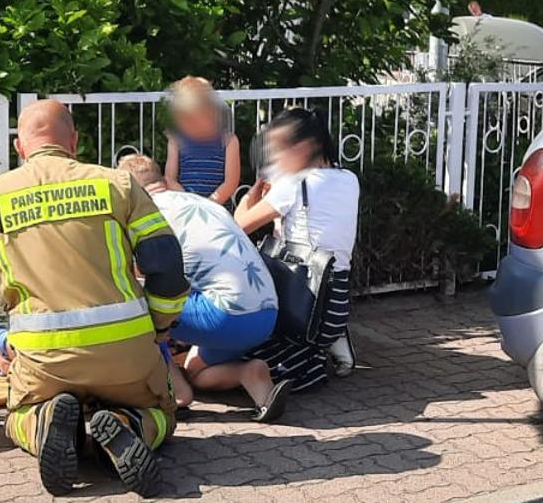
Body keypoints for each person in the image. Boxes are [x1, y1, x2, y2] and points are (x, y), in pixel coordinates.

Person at [0, 100, 186, 496]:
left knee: (18, 415)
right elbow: (165, 263)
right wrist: (161, 328)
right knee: (161, 412)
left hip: (43, 362)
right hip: (126, 355)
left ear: (19, 147)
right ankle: (129, 425)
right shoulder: (118, 184)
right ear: (74, 141)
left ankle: (44, 422)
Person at [116, 155, 288, 422]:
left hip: (224, 317)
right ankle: (249, 374)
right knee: (196, 371)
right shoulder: (202, 203)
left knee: (136, 300)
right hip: (266, 316)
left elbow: (142, 274)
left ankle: (175, 393)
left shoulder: (149, 214)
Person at [236, 108, 360, 387]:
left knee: (242, 355)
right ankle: (327, 343)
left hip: (302, 306)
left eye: (278, 151)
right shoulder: (349, 179)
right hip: (335, 303)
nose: (274, 160)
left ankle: (312, 356)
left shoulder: (292, 184)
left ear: (303, 148)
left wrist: (253, 192)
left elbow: (238, 225)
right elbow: (319, 228)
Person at [163, 76, 241, 206]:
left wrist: (208, 205)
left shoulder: (228, 141)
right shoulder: (176, 141)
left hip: (217, 208)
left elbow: (230, 182)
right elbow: (170, 179)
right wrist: (190, 202)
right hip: (186, 206)